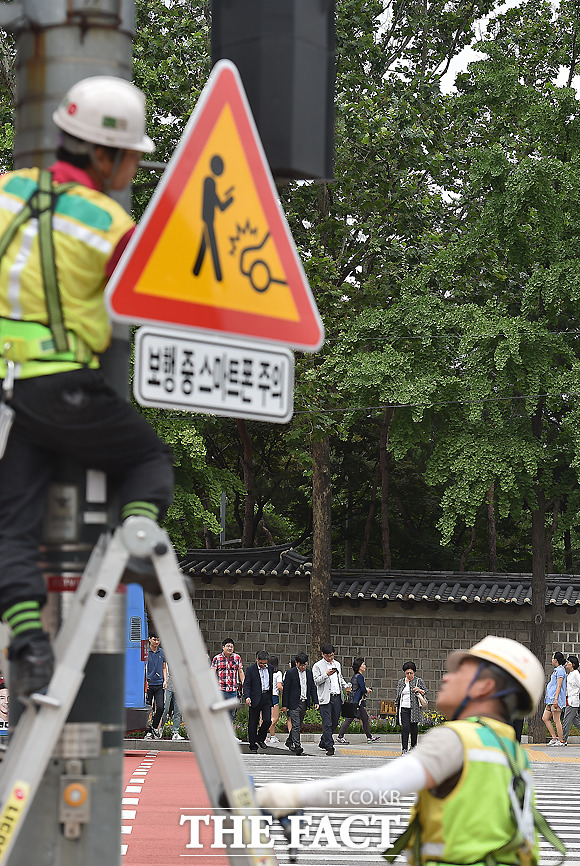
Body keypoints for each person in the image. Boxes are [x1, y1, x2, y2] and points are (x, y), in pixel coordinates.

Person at [0, 76, 174, 698]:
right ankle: (133, 544)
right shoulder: (106, 222)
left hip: (9, 391)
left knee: (10, 531)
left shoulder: (7, 190)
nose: (131, 168)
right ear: (102, 154)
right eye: (130, 156)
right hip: (65, 386)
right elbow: (151, 292)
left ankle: (31, 647)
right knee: (149, 460)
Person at [257, 636, 566, 866]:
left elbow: (380, 788)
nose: (446, 676)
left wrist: (293, 797)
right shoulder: (512, 753)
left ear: (484, 686)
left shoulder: (458, 739)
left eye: (461, 671)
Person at [312, 643, 351, 756]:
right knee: (327, 723)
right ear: (323, 654)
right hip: (325, 698)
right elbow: (316, 681)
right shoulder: (318, 666)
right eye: (328, 656)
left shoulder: (337, 664)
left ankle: (324, 741)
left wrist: (345, 686)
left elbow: (340, 678)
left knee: (335, 721)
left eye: (332, 655)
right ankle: (330, 746)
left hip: (337, 696)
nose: (330, 658)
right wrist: (326, 674)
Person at [336, 657, 380, 744]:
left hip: (355, 701)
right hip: (356, 702)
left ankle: (369, 737)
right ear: (359, 666)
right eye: (363, 664)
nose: (365, 666)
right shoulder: (359, 676)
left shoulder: (354, 676)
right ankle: (340, 737)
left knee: (364, 718)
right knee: (350, 718)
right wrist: (368, 690)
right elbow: (362, 689)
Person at [281, 652, 317, 755]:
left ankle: (289, 741)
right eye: (301, 665)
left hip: (304, 702)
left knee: (299, 724)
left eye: (305, 664)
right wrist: (285, 705)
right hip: (293, 703)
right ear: (296, 663)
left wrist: (315, 701)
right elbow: (286, 690)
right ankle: (297, 746)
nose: (303, 667)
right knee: (296, 725)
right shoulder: (290, 673)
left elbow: (312, 687)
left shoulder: (309, 673)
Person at [243, 650, 273, 753]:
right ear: (257, 660)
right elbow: (246, 684)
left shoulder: (270, 668)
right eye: (261, 663)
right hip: (254, 698)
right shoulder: (251, 669)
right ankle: (252, 745)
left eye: (265, 663)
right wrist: (247, 697)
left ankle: (260, 738)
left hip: (266, 697)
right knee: (253, 722)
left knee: (268, 720)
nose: (263, 665)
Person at [395, 661, 427, 754]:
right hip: (404, 707)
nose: (409, 675)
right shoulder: (401, 681)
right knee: (405, 727)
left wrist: (419, 690)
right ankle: (404, 748)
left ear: (414, 672)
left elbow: (425, 691)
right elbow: (398, 695)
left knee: (414, 727)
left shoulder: (418, 681)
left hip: (415, 708)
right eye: (407, 673)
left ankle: (413, 746)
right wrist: (397, 706)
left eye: (411, 673)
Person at [211, 638, 245, 723]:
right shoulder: (217, 658)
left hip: (233, 690)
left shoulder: (237, 658)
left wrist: (244, 685)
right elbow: (212, 672)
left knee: (231, 714)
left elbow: (240, 671)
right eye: (228, 646)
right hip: (221, 690)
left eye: (232, 646)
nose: (230, 648)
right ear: (223, 647)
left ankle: (229, 735)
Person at [542, 650, 567, 746]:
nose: (551, 659)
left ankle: (561, 741)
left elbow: (559, 686)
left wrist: (556, 699)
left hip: (555, 699)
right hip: (550, 699)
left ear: (556, 660)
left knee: (556, 720)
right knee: (545, 718)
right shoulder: (557, 670)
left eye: (552, 658)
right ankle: (554, 738)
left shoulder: (560, 670)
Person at [145, 634, 166, 739]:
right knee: (148, 708)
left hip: (159, 684)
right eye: (154, 639)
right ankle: (148, 732)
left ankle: (154, 727)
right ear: (149, 639)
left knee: (161, 707)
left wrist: (165, 680)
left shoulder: (161, 652)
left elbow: (164, 667)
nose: (156, 642)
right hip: (148, 685)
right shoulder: (145, 652)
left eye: (158, 640)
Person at [160, 664, 186, 741]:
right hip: (168, 686)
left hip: (179, 688)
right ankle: (160, 728)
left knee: (178, 711)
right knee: (165, 709)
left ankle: (175, 732)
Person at [265, 655, 283, 744]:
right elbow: (279, 686)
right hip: (274, 696)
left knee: (264, 717)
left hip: (265, 695)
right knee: (275, 718)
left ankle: (269, 736)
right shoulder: (278, 673)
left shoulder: (266, 672)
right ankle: (269, 735)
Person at [563, 654, 580, 744]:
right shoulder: (570, 674)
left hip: (573, 702)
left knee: (566, 720)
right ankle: (563, 739)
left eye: (568, 662)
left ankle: (563, 740)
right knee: (576, 722)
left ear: (573, 664)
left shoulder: (576, 674)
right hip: (569, 700)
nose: (567, 663)